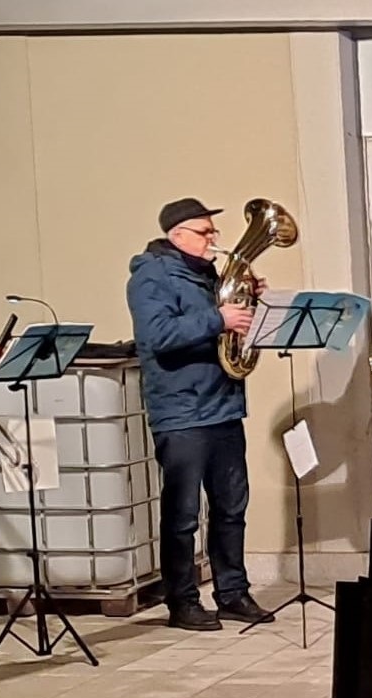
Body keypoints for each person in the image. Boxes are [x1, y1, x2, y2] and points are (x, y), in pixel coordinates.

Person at [127, 197, 275, 632]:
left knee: (231, 507)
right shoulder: (151, 276)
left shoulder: (211, 274)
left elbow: (226, 324)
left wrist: (248, 301)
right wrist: (219, 318)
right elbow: (157, 336)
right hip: (182, 410)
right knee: (183, 515)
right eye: (204, 232)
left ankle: (232, 592)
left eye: (214, 232)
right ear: (177, 236)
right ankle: (182, 601)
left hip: (223, 404)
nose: (214, 240)